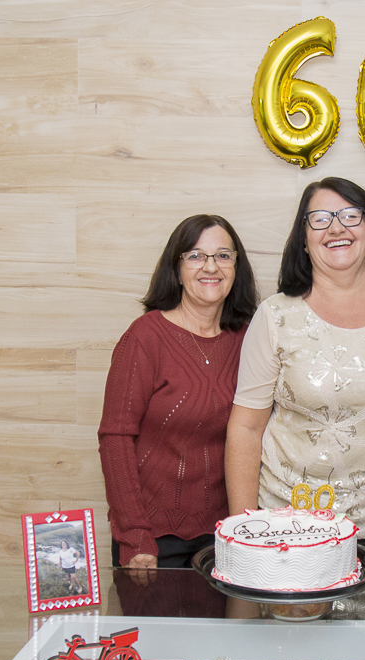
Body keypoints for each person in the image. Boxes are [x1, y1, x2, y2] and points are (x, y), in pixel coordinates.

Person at [225, 177, 365, 573]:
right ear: (303, 240)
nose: (336, 227)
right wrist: (244, 529)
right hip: (288, 530)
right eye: (320, 219)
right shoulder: (276, 316)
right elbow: (246, 429)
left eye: (350, 215)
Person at [98, 215, 259, 580]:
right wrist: (134, 535)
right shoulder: (145, 337)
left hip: (226, 538)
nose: (210, 267)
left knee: (229, 638)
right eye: (195, 256)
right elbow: (115, 439)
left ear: (237, 266)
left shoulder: (249, 339)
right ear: (177, 266)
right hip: (153, 540)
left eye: (222, 256)